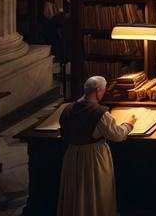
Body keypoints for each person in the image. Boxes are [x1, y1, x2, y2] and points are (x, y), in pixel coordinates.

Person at [57, 76, 135, 216]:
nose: (104, 93)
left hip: (72, 156)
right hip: (93, 158)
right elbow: (117, 135)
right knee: (93, 191)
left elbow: (64, 133)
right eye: (103, 90)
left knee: (76, 193)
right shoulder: (99, 113)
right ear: (98, 90)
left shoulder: (67, 109)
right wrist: (129, 124)